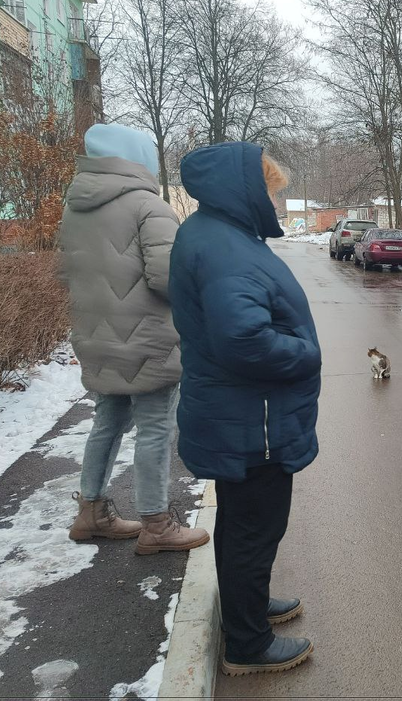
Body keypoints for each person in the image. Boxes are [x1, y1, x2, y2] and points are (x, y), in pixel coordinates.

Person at [169, 143, 321, 674]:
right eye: (272, 193)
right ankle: (247, 644)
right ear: (247, 191)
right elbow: (245, 341)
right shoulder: (225, 247)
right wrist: (306, 352)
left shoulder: (216, 235)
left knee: (243, 525)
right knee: (255, 529)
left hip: (242, 416)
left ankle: (247, 611)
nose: (276, 204)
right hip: (252, 422)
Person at [59, 122, 209, 554]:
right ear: (138, 160)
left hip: (96, 336)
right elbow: (169, 279)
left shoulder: (75, 207)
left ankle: (92, 511)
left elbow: (66, 274)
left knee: (106, 422)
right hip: (148, 339)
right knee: (155, 429)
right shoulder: (148, 205)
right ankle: (157, 524)